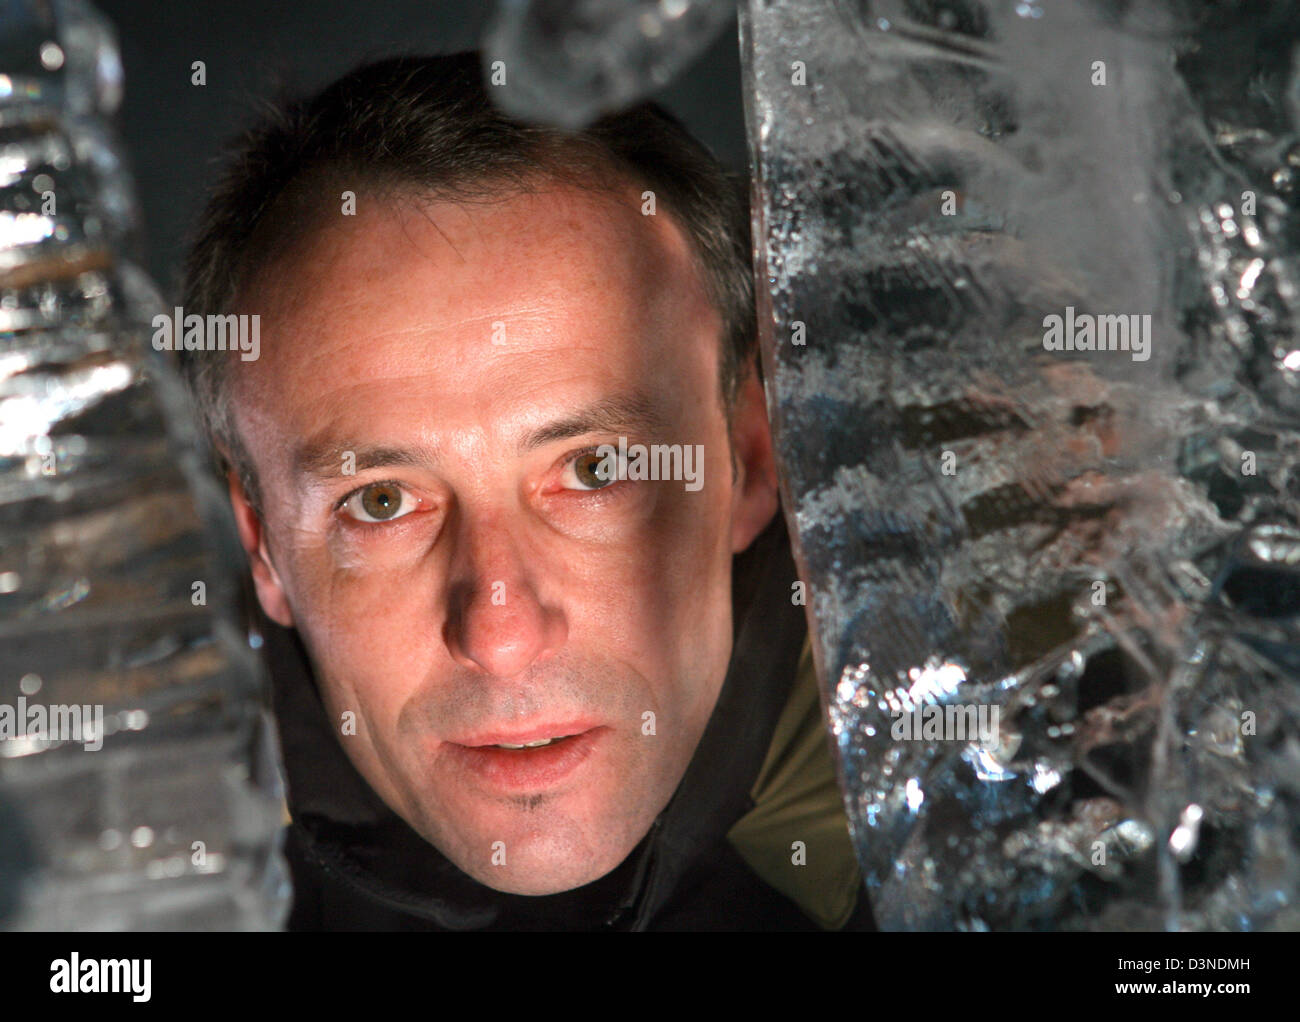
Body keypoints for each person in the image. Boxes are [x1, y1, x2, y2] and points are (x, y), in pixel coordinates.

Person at [177, 50, 874, 930]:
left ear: (750, 460)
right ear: (262, 543)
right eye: (382, 502)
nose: (501, 634)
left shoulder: (1037, 801)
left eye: (594, 469)